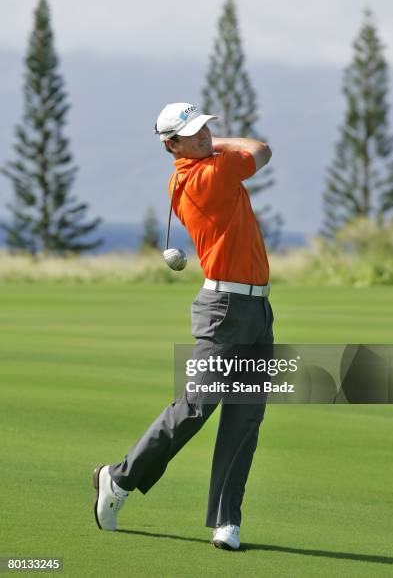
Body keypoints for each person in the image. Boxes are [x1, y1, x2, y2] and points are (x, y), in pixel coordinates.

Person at [93, 102, 274, 551]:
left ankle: (226, 521)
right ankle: (117, 479)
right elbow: (263, 149)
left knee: (246, 416)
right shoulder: (211, 173)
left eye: (207, 129)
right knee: (196, 407)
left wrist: (205, 147)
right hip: (224, 308)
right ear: (171, 145)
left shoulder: (204, 167)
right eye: (193, 134)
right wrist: (218, 148)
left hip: (258, 310)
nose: (206, 137)